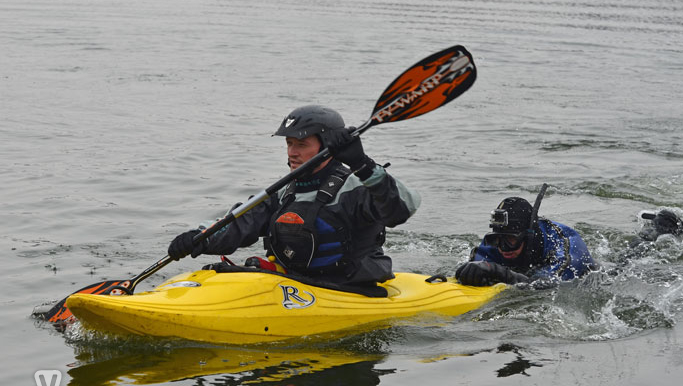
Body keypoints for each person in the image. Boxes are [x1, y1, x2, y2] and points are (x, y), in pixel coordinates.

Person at [167, 105, 421, 288]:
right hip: (297, 283)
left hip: (351, 289)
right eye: (289, 143)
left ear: (327, 146)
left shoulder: (356, 187)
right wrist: (199, 238)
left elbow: (401, 210)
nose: (292, 152)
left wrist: (363, 164)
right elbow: (239, 223)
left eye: (301, 144)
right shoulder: (282, 192)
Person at [455, 185, 597, 289]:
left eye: (511, 240)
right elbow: (479, 263)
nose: (503, 248)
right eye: (498, 239)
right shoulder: (495, 243)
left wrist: (502, 274)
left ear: (529, 235)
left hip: (590, 280)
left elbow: (550, 285)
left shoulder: (564, 245)